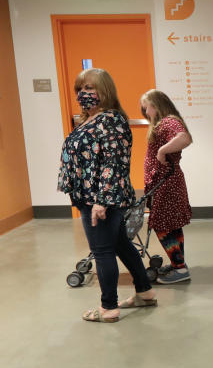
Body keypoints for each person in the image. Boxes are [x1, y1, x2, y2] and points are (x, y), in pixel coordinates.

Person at [57, 68, 156, 322]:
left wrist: (102, 200)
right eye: (80, 89)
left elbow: (114, 161)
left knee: (102, 251)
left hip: (100, 197)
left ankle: (108, 308)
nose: (84, 94)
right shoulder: (90, 119)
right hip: (90, 194)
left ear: (105, 91)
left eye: (90, 89)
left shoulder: (110, 119)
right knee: (121, 243)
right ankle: (145, 292)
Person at [140, 89, 193, 284]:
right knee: (171, 225)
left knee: (162, 224)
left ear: (156, 105)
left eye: (146, 107)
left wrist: (162, 151)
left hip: (167, 183)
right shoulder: (165, 122)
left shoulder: (168, 121)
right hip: (166, 182)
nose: (145, 112)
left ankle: (179, 269)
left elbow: (184, 138)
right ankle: (178, 264)